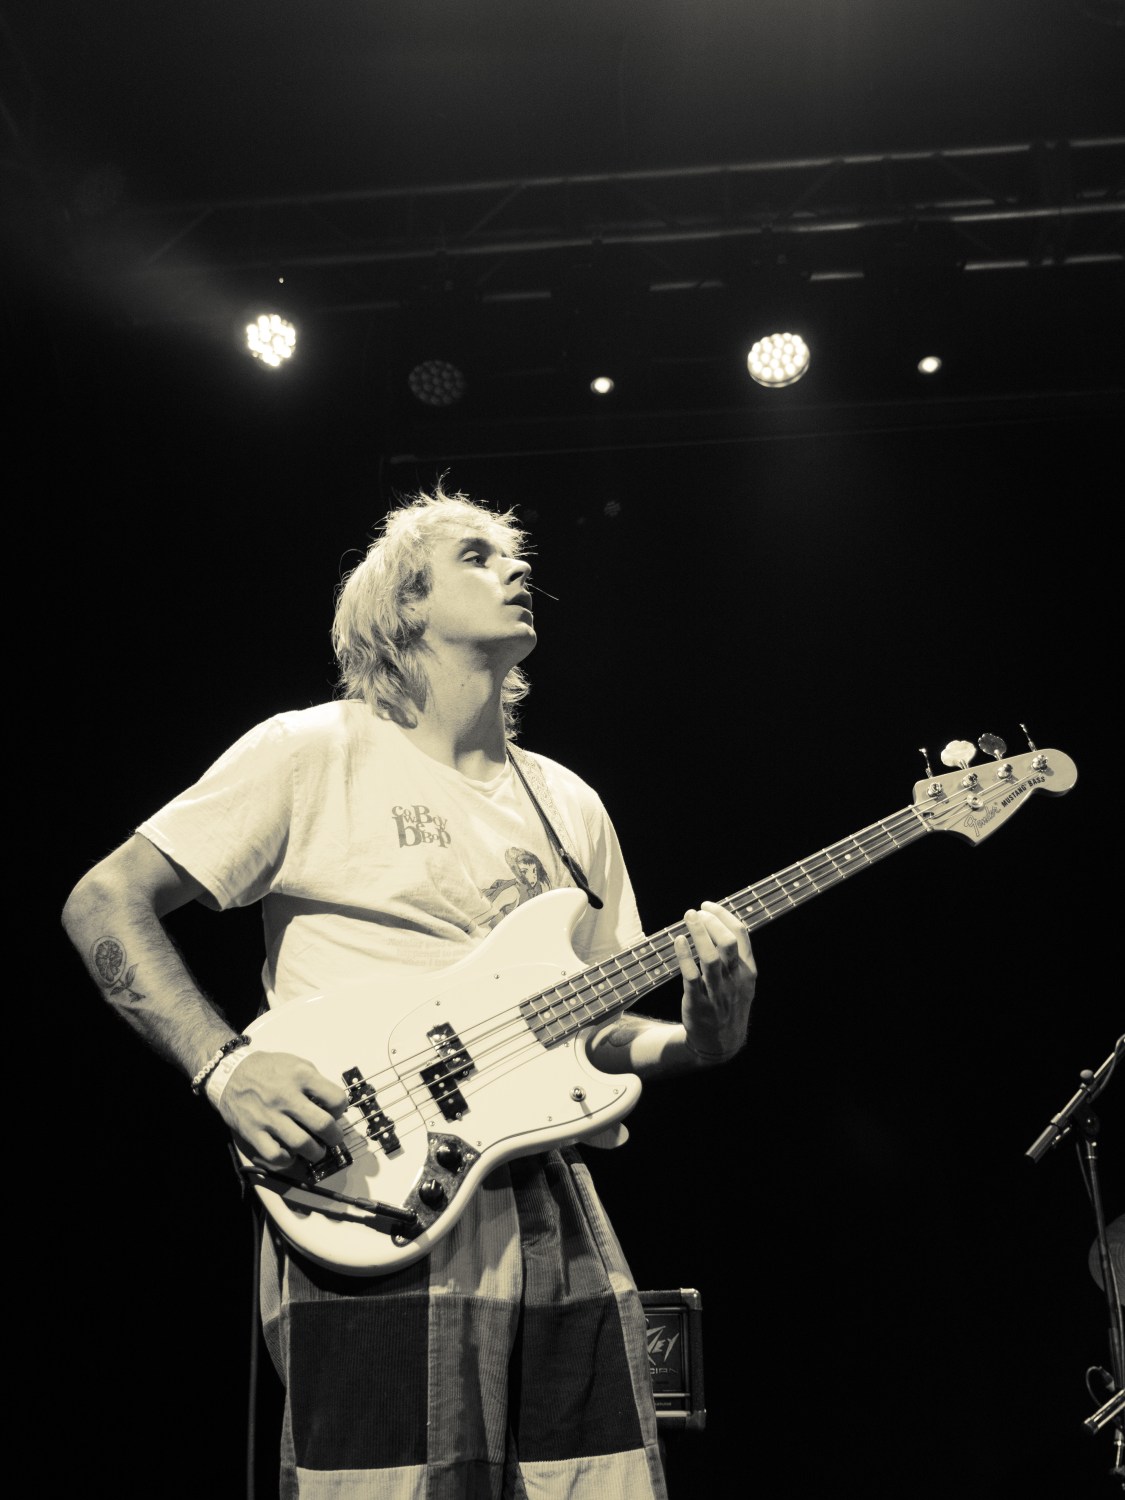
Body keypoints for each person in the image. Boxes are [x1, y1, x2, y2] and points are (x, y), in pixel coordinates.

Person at [61, 483, 756, 1499]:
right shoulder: (312, 750)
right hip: (367, 1181)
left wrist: (701, 1037)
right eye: (478, 555)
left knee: (597, 1480)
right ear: (404, 604)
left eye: (513, 555)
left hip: (545, 1188)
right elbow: (104, 900)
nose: (518, 567)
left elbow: (598, 1030)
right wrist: (225, 1067)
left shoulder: (569, 804)